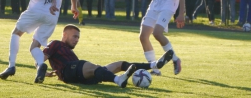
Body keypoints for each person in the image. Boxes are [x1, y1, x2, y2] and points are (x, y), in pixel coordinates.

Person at [42, 24, 174, 87]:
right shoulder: (55, 43)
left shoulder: (70, 52)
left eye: (78, 37)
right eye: (74, 36)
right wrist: (42, 70)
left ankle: (154, 64)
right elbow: (41, 57)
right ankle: (118, 80)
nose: (77, 39)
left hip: (79, 74)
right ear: (64, 34)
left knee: (119, 64)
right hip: (70, 71)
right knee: (86, 65)